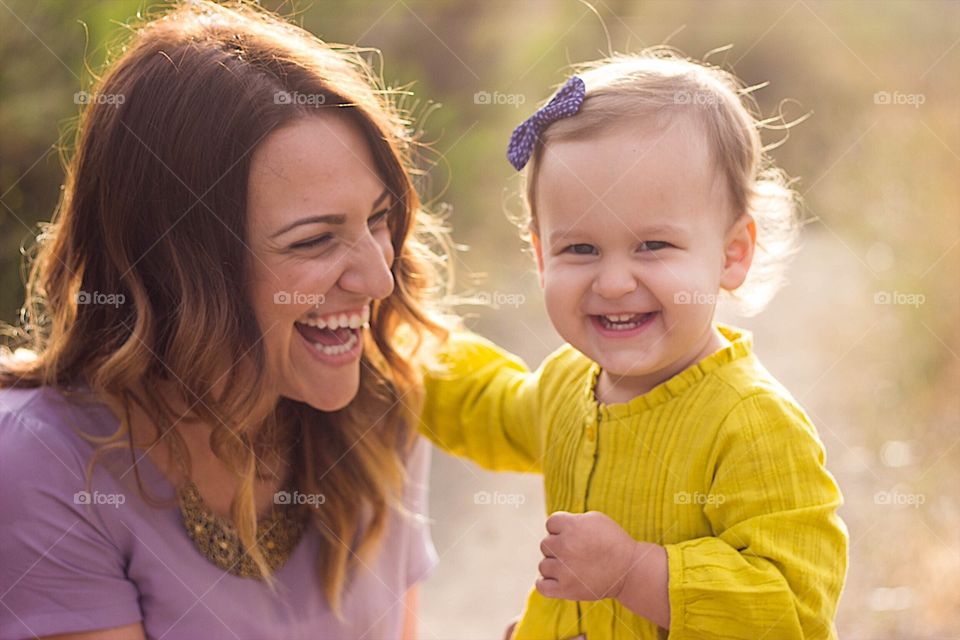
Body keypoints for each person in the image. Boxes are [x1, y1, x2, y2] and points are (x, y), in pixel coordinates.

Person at [0, 2, 449, 638]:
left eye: (379, 218)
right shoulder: (42, 467)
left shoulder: (381, 405)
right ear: (175, 270)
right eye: (314, 240)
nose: (379, 280)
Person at [421, 50, 848, 639]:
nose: (615, 282)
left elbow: (793, 609)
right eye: (580, 249)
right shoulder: (567, 380)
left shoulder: (752, 425)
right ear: (541, 256)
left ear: (732, 253)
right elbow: (490, 409)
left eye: (652, 246)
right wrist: (402, 346)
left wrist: (632, 571)